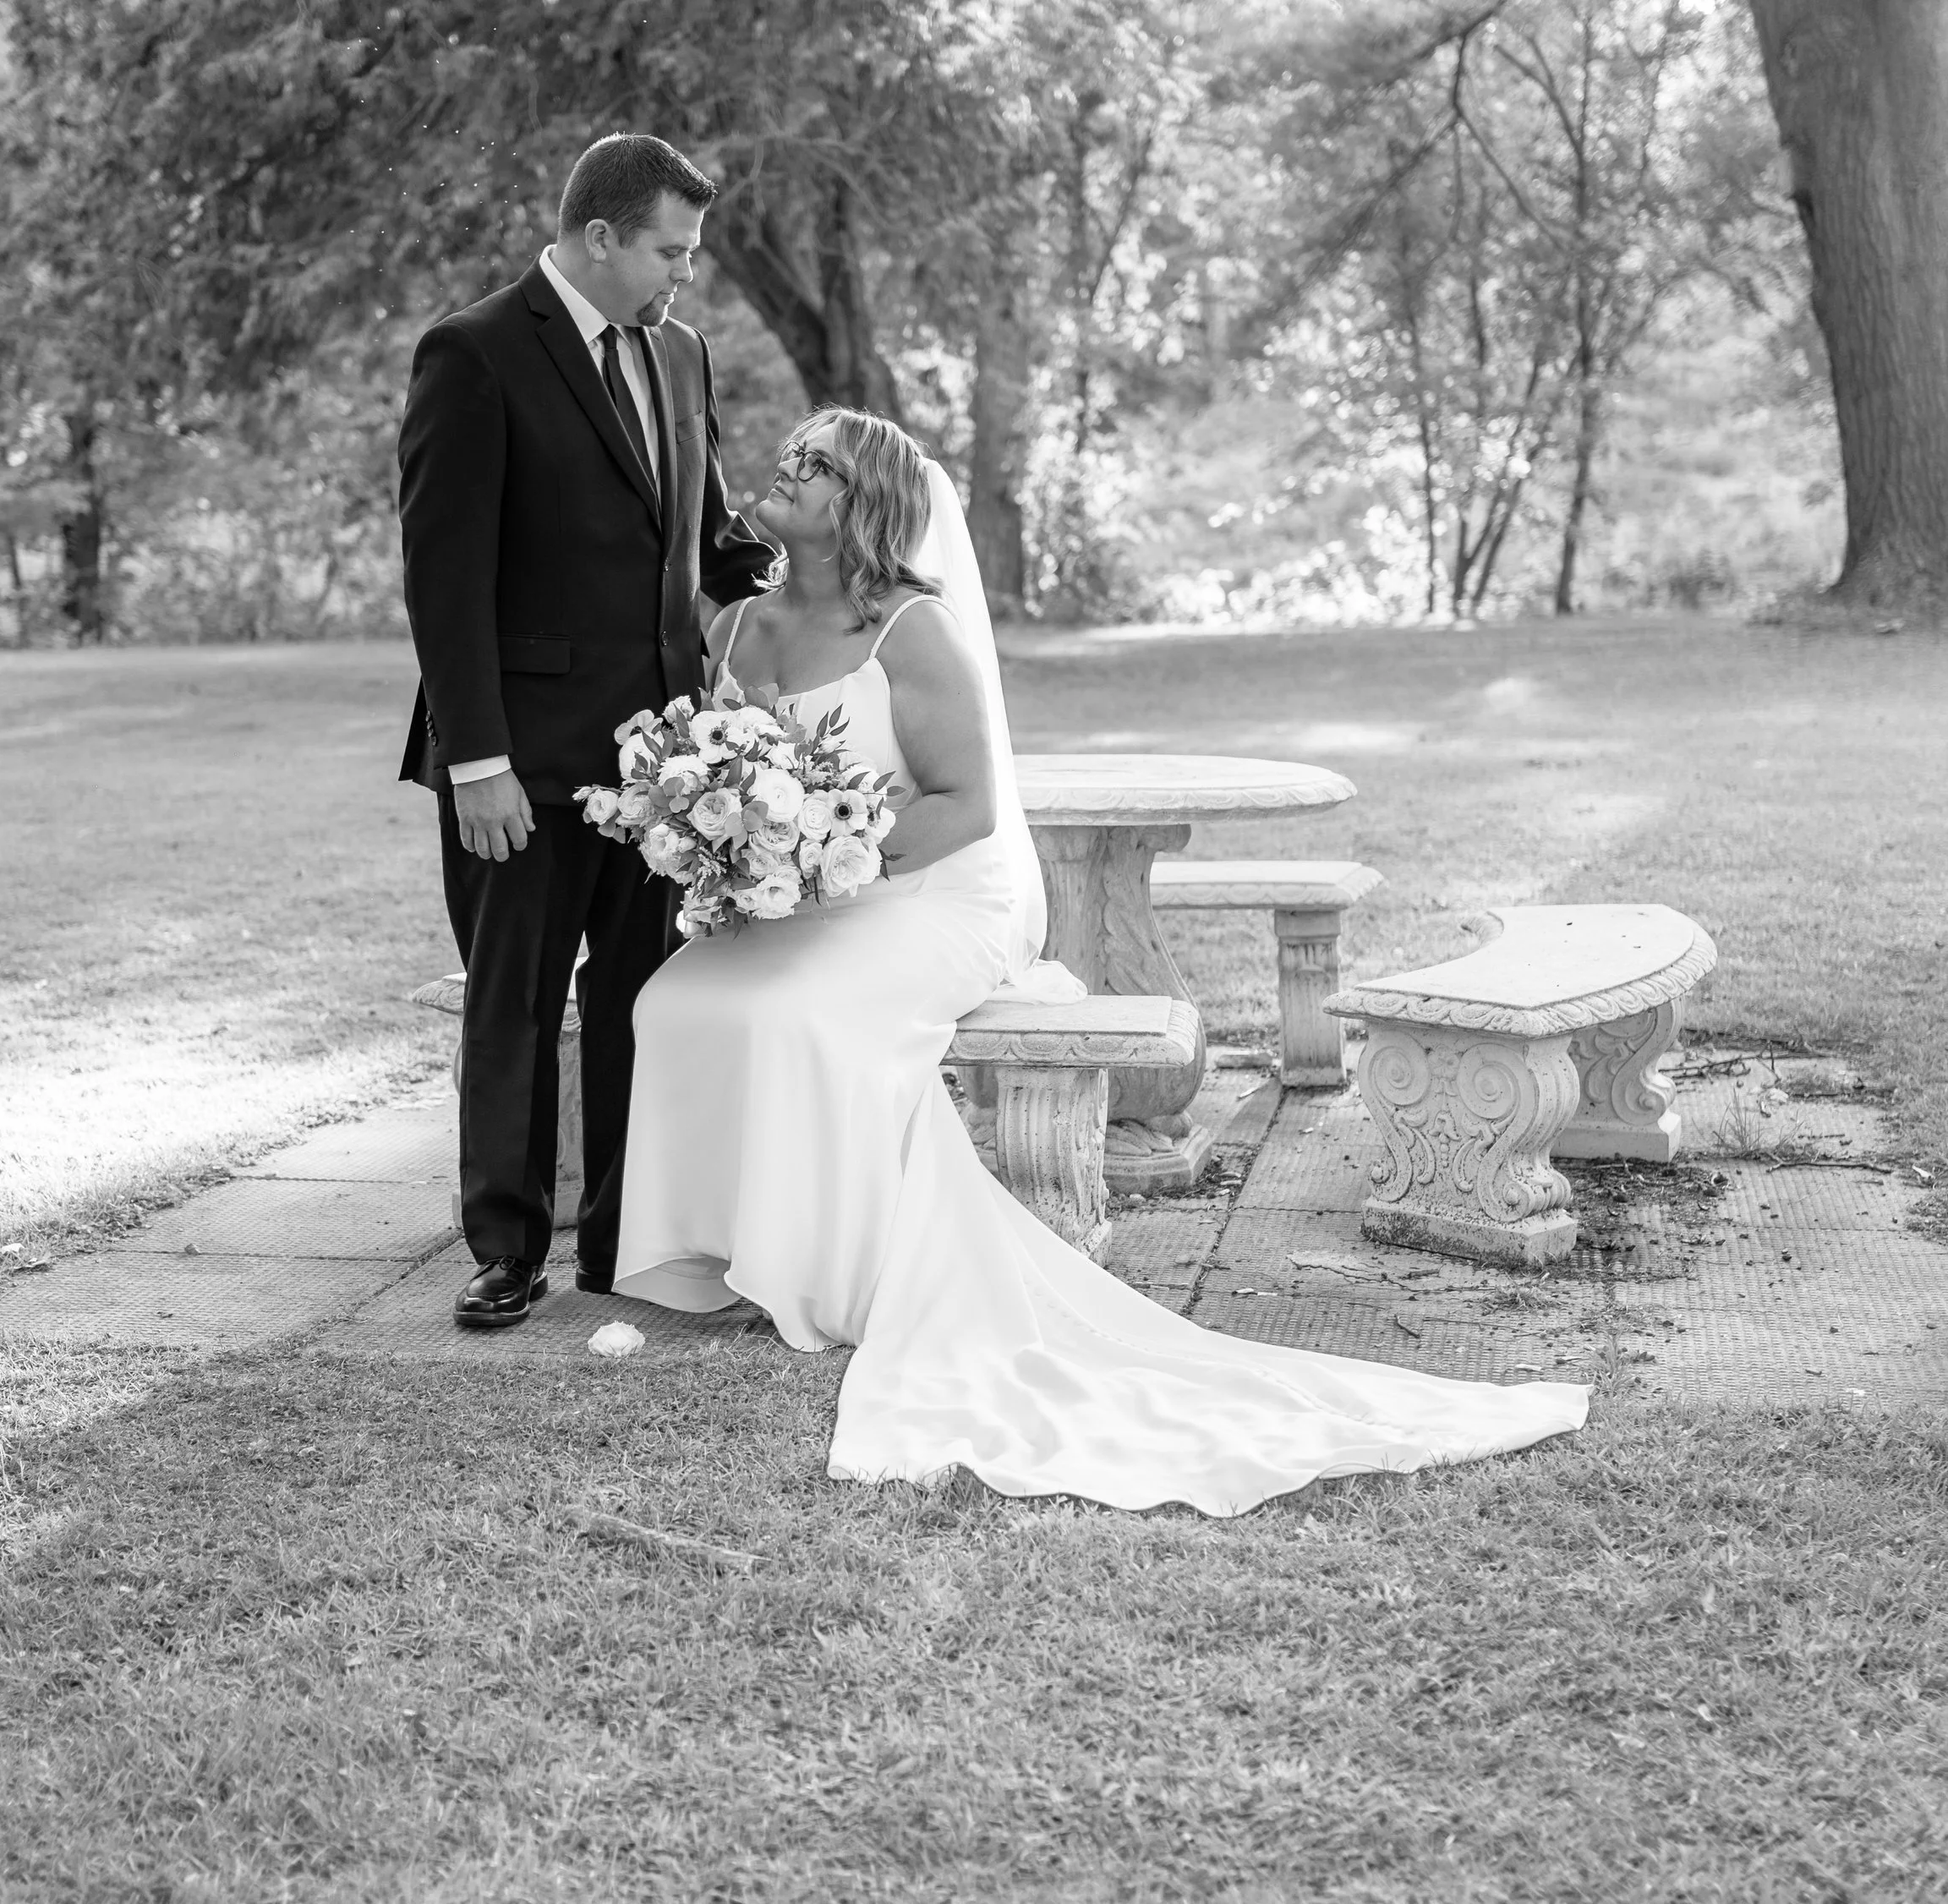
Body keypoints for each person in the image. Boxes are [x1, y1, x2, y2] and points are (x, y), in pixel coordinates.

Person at [614, 409, 1588, 1515]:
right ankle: (716, 1247)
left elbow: (968, 808)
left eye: (816, 465)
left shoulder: (913, 632)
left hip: (926, 894)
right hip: (807, 893)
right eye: (791, 454)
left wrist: (827, 862)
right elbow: (732, 771)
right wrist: (746, 856)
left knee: (800, 1015)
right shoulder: (738, 624)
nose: (786, 469)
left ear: (866, 506)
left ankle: (820, 1270)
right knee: (676, 998)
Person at [397, 134, 774, 1331]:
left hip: (662, 768)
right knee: (513, 1002)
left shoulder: (681, 353)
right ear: (600, 237)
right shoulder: (473, 353)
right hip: (517, 762)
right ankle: (508, 1249)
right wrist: (478, 760)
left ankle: (622, 1242)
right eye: (671, 251)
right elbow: (443, 579)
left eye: (692, 254)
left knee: (637, 1002)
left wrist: (832, 570)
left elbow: (704, 540)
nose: (685, 275)